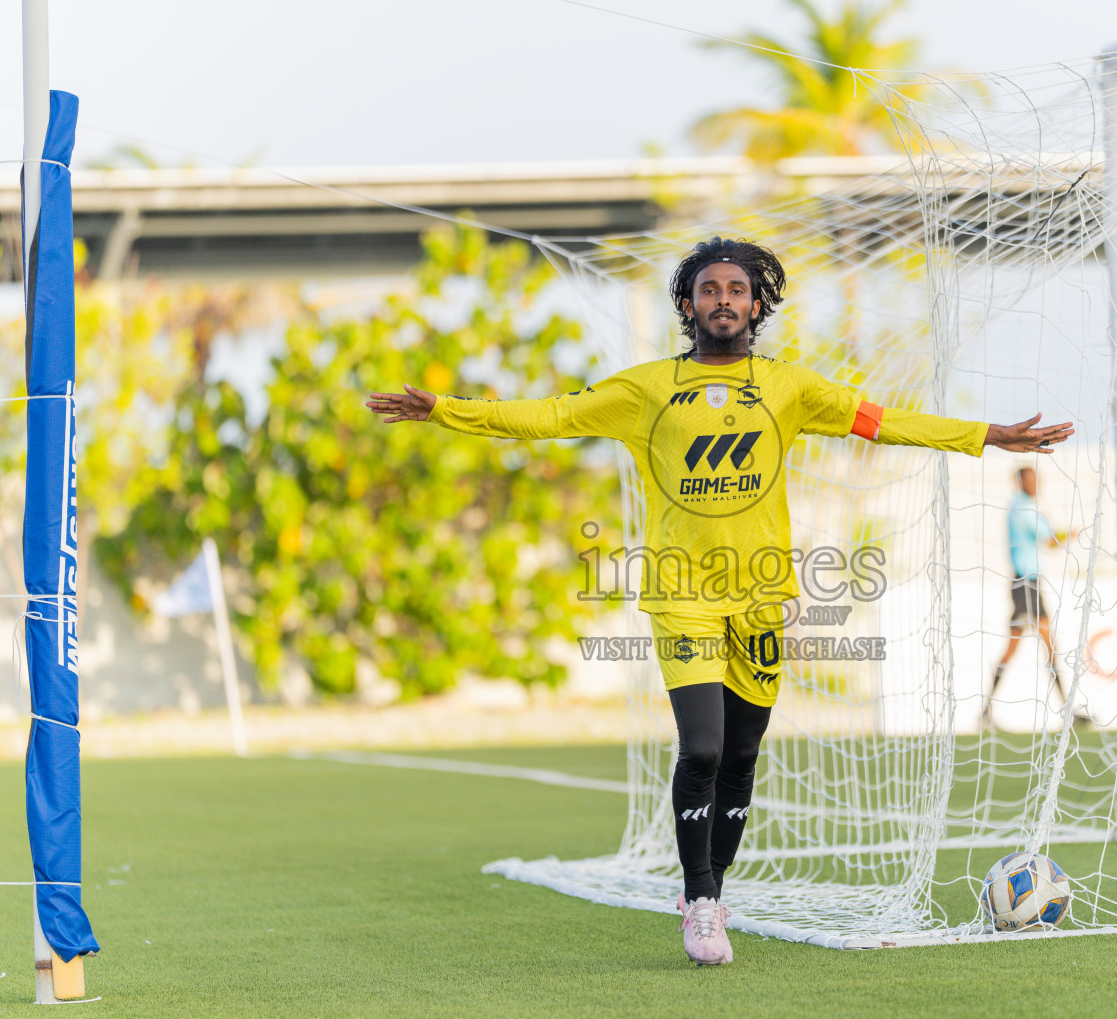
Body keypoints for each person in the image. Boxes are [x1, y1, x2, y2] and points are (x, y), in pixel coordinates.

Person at [367, 236, 1073, 966]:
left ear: (757, 305)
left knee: (741, 754)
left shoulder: (789, 388)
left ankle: (714, 887)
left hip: (764, 599)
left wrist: (986, 436)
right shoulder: (645, 389)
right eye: (710, 290)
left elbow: (882, 421)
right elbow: (546, 416)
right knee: (700, 746)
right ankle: (700, 900)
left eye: (737, 290)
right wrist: (445, 410)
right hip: (681, 597)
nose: (724, 300)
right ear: (687, 305)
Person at [984, 466, 1078, 726]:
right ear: (1018, 482)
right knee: (1034, 646)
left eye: (1036, 479)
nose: (1034, 483)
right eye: (1029, 479)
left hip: (1031, 585)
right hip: (1024, 584)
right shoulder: (1022, 508)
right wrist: (1069, 534)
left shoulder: (1028, 508)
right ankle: (1066, 711)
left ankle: (986, 710)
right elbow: (1048, 539)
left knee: (1041, 646)